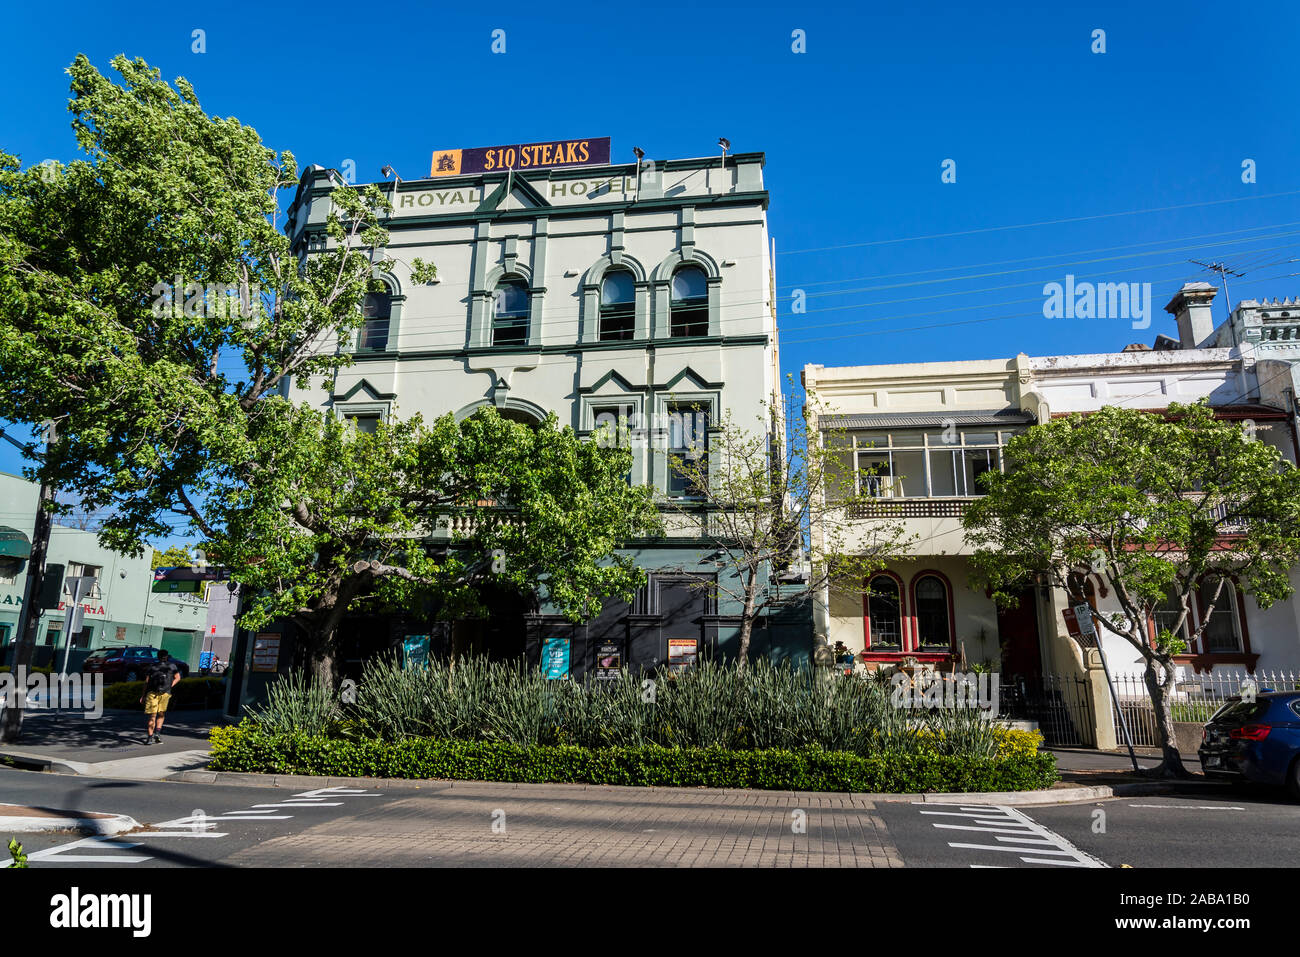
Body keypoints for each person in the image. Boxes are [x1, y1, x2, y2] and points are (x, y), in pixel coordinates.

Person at [140, 649, 181, 745]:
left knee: (153, 715)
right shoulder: (172, 666)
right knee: (160, 714)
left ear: (157, 657)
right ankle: (156, 734)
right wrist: (170, 686)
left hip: (152, 693)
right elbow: (178, 677)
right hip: (164, 693)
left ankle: (150, 737)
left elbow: (146, 682)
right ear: (167, 656)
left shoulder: (153, 667)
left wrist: (143, 695)